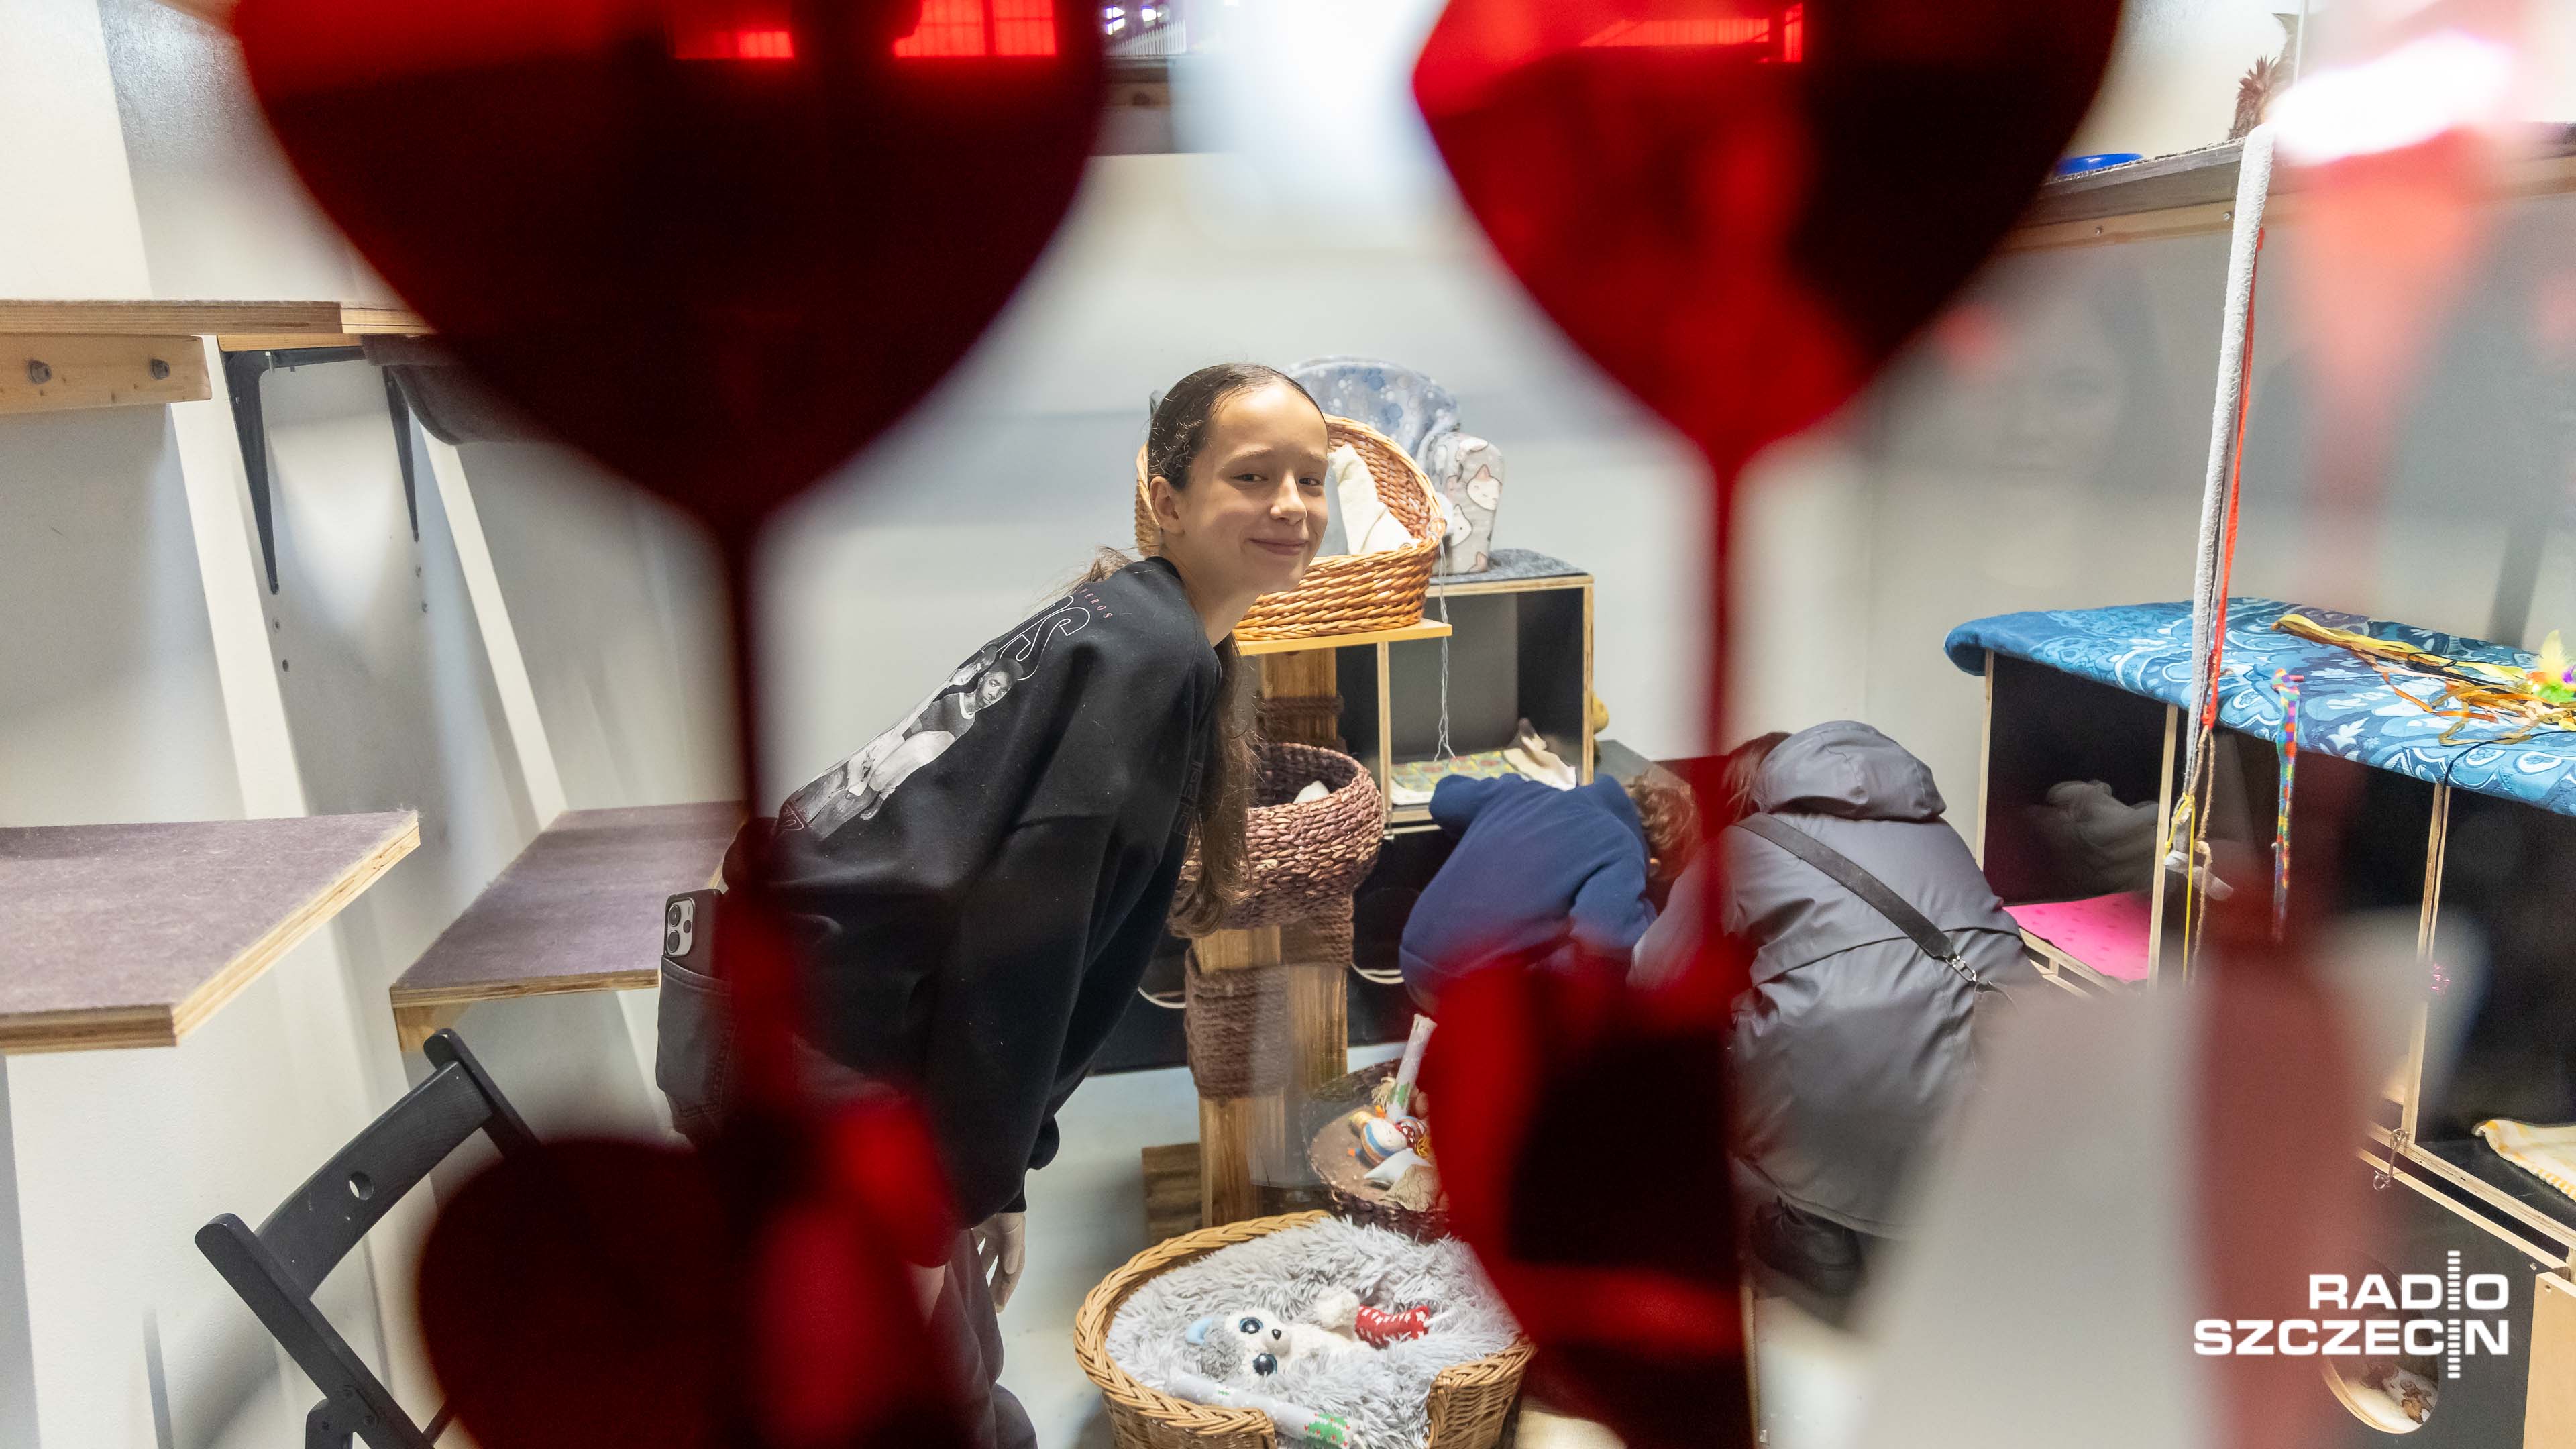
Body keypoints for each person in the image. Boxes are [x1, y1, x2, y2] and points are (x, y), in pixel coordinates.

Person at [657, 362, 1331, 1449]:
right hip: (817, 1038)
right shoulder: (1149, 657)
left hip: (823, 1015)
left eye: (1312, 478)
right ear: (1166, 497)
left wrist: (997, 1173)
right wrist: (947, 1200)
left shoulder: (1141, 627)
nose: (1292, 506)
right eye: (1253, 476)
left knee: (971, 1386)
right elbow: (1020, 945)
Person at [1635, 721, 2031, 1318]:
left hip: (1851, 1082)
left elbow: (1652, 974)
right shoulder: (1939, 834)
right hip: (2009, 1064)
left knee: (1729, 1032)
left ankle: (1813, 1226)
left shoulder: (1742, 847)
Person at [1396, 767, 1701, 1012]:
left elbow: (1445, 800)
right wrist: (1647, 910)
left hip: (1412, 959)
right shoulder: (1623, 846)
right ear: (1654, 866)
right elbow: (1608, 935)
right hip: (1462, 988)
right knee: (1594, 958)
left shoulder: (1526, 791)